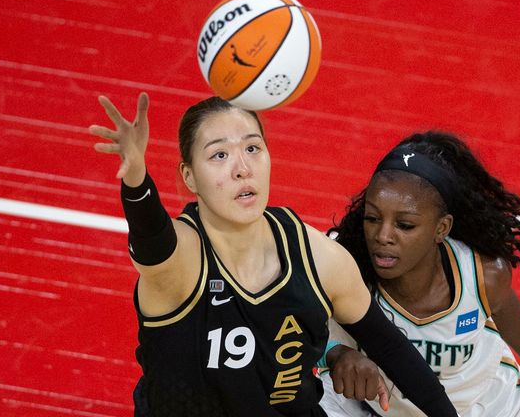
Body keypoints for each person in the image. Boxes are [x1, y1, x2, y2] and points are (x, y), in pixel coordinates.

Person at [88, 93, 459, 417]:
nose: (242, 169)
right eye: (219, 155)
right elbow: (152, 240)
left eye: (252, 148)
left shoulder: (320, 259)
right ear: (189, 177)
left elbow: (391, 348)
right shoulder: (183, 259)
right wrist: (136, 177)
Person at [317, 131, 520, 417]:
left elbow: (503, 302)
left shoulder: (482, 274)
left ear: (441, 228)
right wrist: (333, 354)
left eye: (405, 225)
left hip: (481, 406)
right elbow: (279, 326)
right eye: (372, 218)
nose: (383, 236)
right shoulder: (339, 262)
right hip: (367, 408)